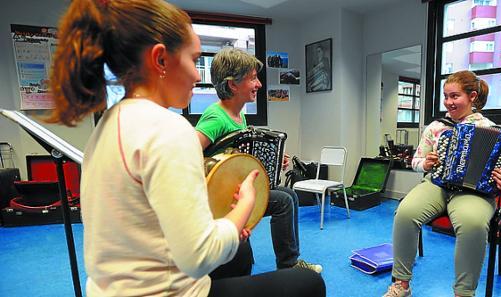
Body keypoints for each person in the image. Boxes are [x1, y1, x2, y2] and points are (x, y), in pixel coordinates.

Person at [48, 1, 325, 296]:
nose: (197, 75)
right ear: (161, 60)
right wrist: (246, 204)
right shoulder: (168, 129)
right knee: (309, 284)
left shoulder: (107, 125)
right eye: (194, 60)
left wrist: (229, 224)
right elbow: (199, 257)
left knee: (239, 254)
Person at [382, 70, 501, 297]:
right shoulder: (435, 127)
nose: (448, 102)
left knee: (473, 223)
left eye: (455, 96)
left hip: (474, 192)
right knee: (405, 213)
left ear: (472, 97)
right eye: (446, 96)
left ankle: (463, 293)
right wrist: (425, 164)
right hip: (437, 185)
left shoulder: (493, 131)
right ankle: (401, 285)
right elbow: (415, 161)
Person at [196, 47, 323, 274]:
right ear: (233, 85)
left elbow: (241, 157)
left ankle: (290, 261)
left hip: (238, 189)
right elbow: (190, 152)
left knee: (290, 195)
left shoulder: (239, 115)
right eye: (253, 78)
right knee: (283, 201)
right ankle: (288, 265)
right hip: (223, 198)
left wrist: (274, 162)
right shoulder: (216, 117)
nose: (259, 85)